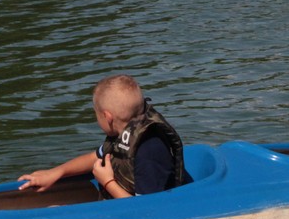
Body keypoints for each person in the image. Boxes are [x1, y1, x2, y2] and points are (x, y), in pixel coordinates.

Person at [18, 74, 190, 198]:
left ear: (107, 117)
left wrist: (108, 182)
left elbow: (147, 209)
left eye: (96, 114)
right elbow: (95, 157)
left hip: (140, 210)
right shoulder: (123, 132)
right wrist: (56, 172)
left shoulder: (149, 151)